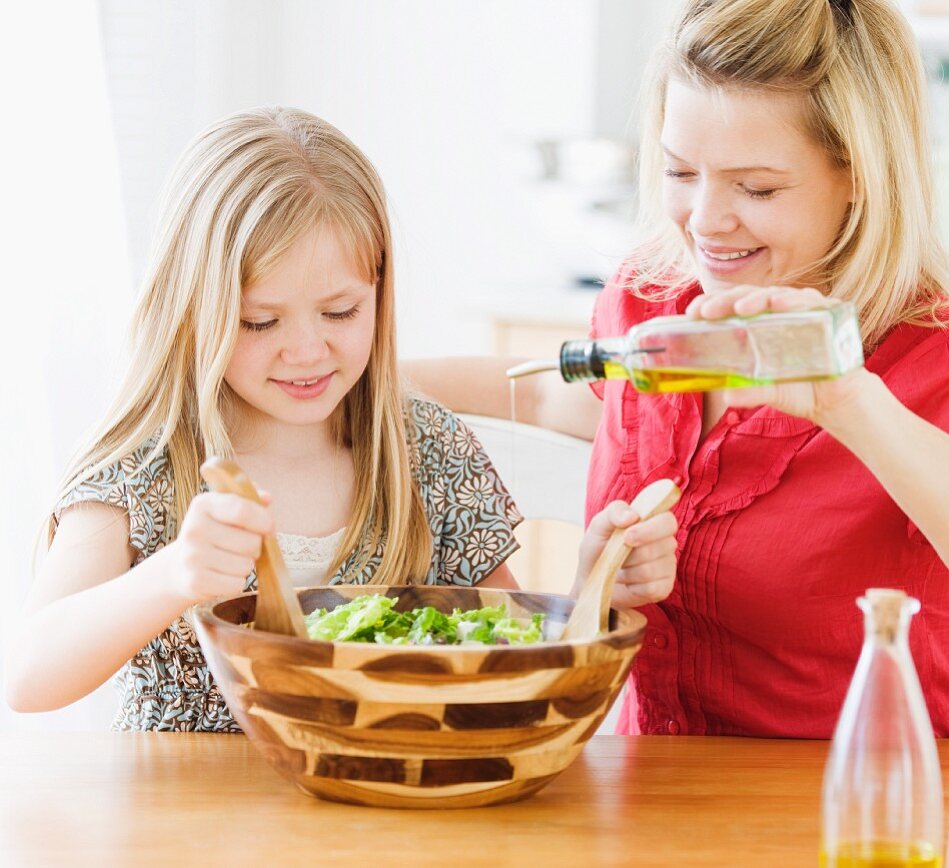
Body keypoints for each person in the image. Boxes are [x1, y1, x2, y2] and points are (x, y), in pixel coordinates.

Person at [404, 0, 949, 738]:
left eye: (755, 188)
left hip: (858, 820)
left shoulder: (935, 362)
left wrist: (846, 402)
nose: (704, 219)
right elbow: (553, 395)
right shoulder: (649, 305)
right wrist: (346, 379)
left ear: (859, 175)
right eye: (679, 171)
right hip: (653, 813)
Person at [3, 107, 678, 731]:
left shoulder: (426, 452)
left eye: (339, 313)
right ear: (193, 310)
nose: (306, 350)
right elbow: (28, 676)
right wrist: (172, 574)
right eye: (259, 321)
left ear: (379, 293)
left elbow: (506, 664)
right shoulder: (144, 467)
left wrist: (590, 587)